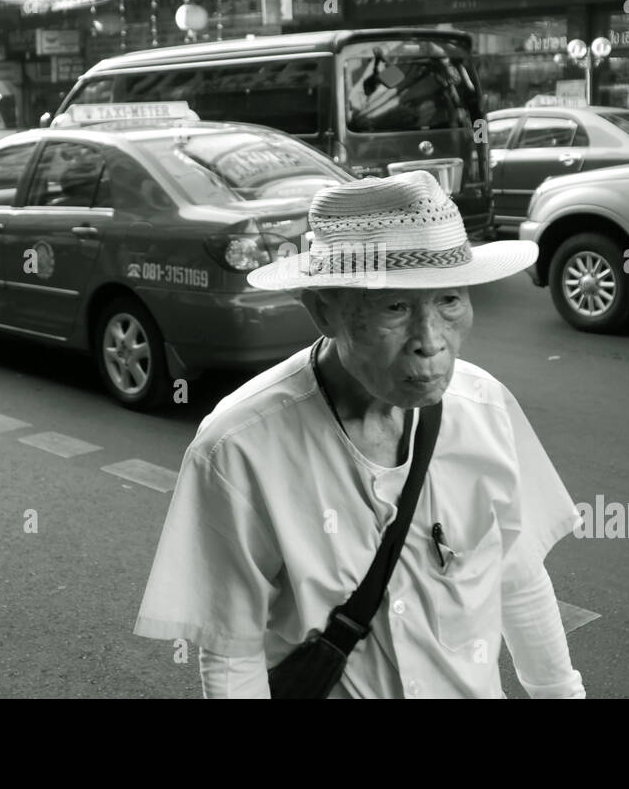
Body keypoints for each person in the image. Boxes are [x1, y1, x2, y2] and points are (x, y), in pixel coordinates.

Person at [134, 171, 586, 699]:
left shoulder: (486, 409)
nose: (430, 341)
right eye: (395, 307)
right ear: (323, 309)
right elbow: (232, 651)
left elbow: (519, 578)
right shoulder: (239, 446)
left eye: (450, 301)